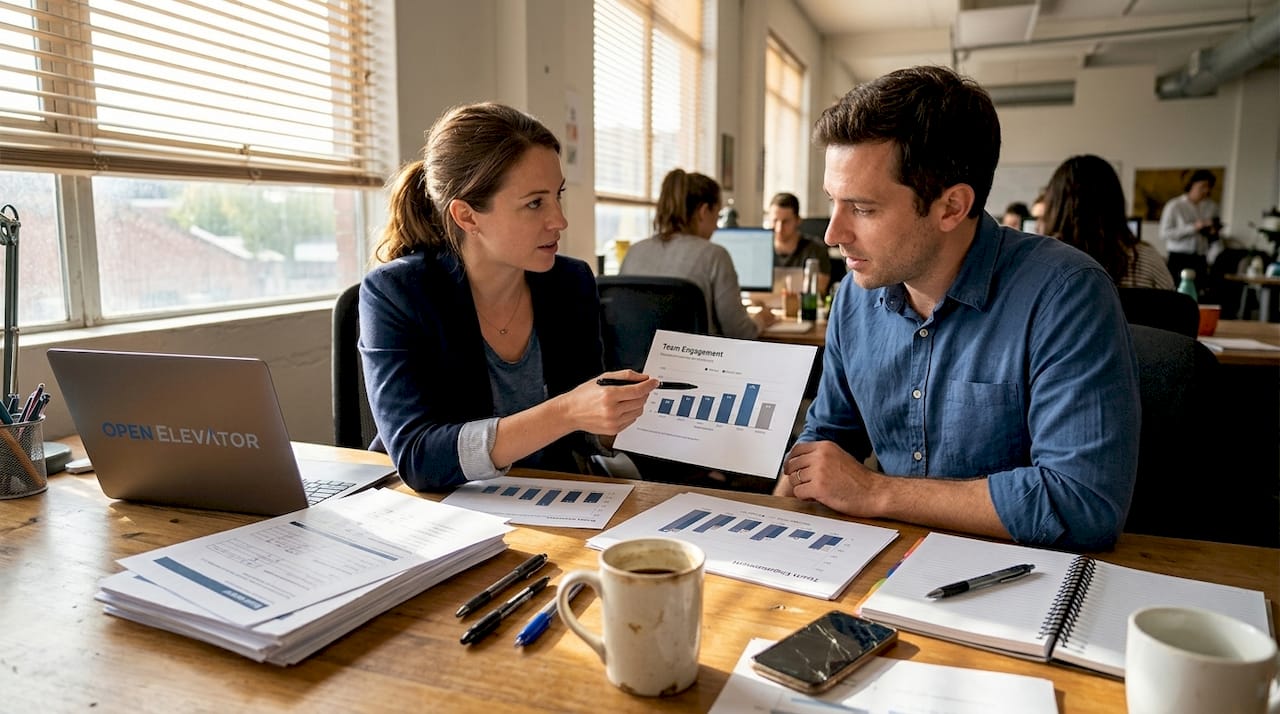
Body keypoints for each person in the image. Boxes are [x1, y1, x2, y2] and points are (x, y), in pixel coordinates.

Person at [774, 66, 1140, 551]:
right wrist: (776, 520)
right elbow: (829, 437)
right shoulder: (854, 297)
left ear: (951, 207)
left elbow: (1081, 502)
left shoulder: (1065, 294)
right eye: (832, 202)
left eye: (862, 209)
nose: (832, 235)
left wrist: (877, 492)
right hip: (885, 564)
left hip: (1019, 579)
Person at [360, 103, 658, 491]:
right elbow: (418, 457)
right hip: (444, 510)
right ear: (467, 216)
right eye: (535, 203)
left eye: (558, 195)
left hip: (551, 497)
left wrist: (617, 421)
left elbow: (581, 430)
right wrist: (566, 412)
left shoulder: (570, 282)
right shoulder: (397, 293)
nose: (560, 220)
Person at [620, 169, 776, 338]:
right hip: (695, 362)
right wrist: (761, 319)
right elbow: (740, 333)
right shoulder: (715, 256)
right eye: (716, 216)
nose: (716, 227)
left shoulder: (633, 252)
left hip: (635, 363)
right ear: (703, 211)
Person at [1042, 155, 1174, 290]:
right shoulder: (1148, 260)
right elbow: (1177, 307)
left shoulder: (1042, 262)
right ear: (1115, 202)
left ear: (1054, 205)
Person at [1160, 169, 1220, 286]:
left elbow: (1214, 236)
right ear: (1191, 184)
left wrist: (1213, 231)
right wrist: (1193, 227)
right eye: (1203, 186)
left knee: (1200, 295)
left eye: (1209, 187)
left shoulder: (1212, 207)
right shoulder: (1175, 206)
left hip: (1200, 258)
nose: (1206, 190)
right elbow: (1164, 233)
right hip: (1179, 258)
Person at [768, 192, 831, 295]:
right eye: (775, 221)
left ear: (798, 221)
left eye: (786, 222)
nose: (779, 228)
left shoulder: (815, 249)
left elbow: (818, 290)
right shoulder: (760, 249)